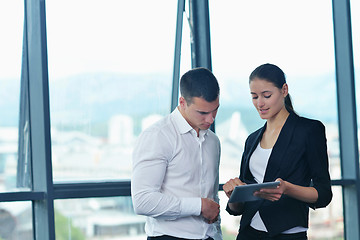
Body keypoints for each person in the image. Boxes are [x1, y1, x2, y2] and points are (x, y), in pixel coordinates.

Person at [223, 63, 333, 240]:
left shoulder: (309, 130)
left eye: (266, 95)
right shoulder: (252, 139)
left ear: (284, 90)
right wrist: (234, 195)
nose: (260, 103)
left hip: (287, 235)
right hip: (248, 233)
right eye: (254, 97)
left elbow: (323, 194)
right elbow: (240, 206)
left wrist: (287, 189)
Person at [131, 67, 222, 240]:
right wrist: (199, 206)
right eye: (202, 113)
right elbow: (143, 201)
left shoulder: (213, 141)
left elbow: (212, 197)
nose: (211, 119)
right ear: (182, 102)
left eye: (215, 110)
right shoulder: (158, 136)